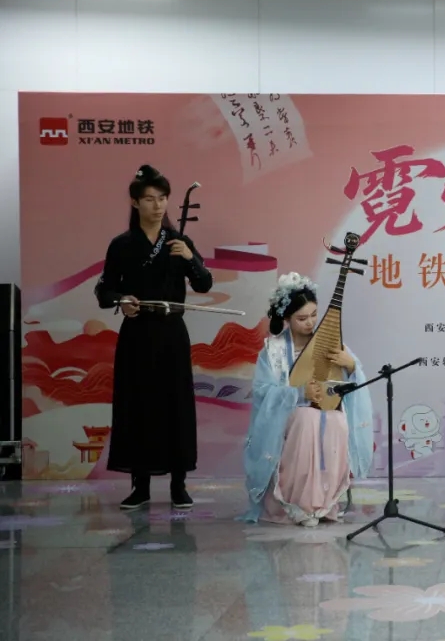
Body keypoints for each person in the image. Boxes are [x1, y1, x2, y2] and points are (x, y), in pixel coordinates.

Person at [94, 164, 214, 510]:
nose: (158, 205)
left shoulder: (179, 242)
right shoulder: (122, 245)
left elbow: (204, 283)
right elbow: (104, 291)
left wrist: (191, 259)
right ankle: (140, 485)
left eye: (162, 198)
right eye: (149, 199)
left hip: (172, 333)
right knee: (138, 405)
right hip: (137, 333)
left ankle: (179, 484)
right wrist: (122, 300)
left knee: (176, 405)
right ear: (135, 202)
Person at [239, 273, 374, 526]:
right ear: (287, 318)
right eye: (302, 318)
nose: (310, 322)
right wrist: (299, 393)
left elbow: (353, 383)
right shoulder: (273, 350)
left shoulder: (328, 343)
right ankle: (297, 504)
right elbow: (262, 391)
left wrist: (351, 366)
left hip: (326, 412)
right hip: (290, 415)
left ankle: (325, 503)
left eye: (314, 315)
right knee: (307, 417)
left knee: (337, 422)